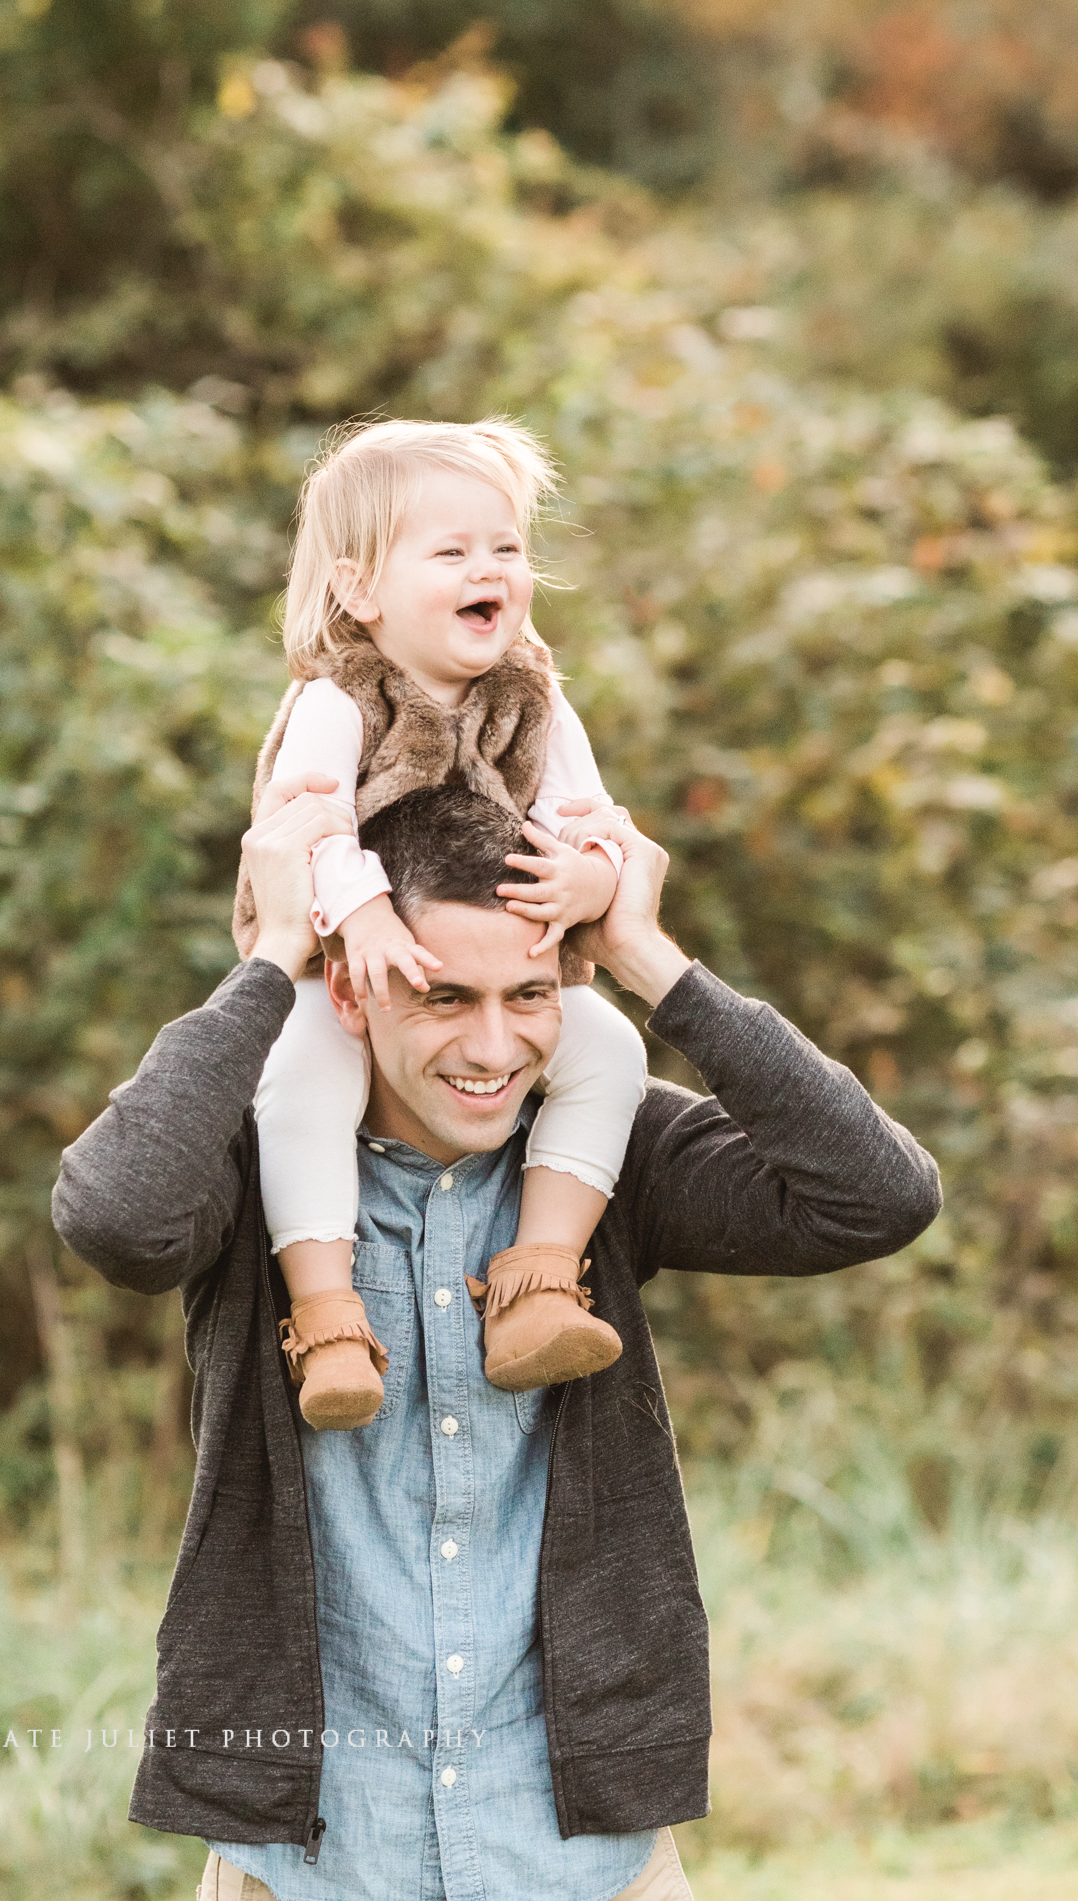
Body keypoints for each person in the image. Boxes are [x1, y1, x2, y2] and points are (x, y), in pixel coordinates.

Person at [51, 770, 942, 1901]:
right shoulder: (246, 1170)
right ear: (354, 989)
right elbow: (114, 1217)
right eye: (441, 995)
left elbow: (878, 1197)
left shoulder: (612, 1155)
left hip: (581, 1856)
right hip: (316, 1855)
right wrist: (273, 955)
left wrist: (649, 961)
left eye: (529, 994)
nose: (493, 1047)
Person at [235, 415, 651, 1431]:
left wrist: (590, 887)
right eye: (454, 551)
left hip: (482, 973)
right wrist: (362, 907)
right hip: (337, 964)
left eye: (506, 547)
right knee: (302, 1078)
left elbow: (590, 822)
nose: (492, 570)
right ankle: (328, 1317)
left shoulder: (537, 698)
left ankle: (540, 1278)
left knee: (609, 1049)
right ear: (359, 588)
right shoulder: (339, 698)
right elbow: (305, 820)